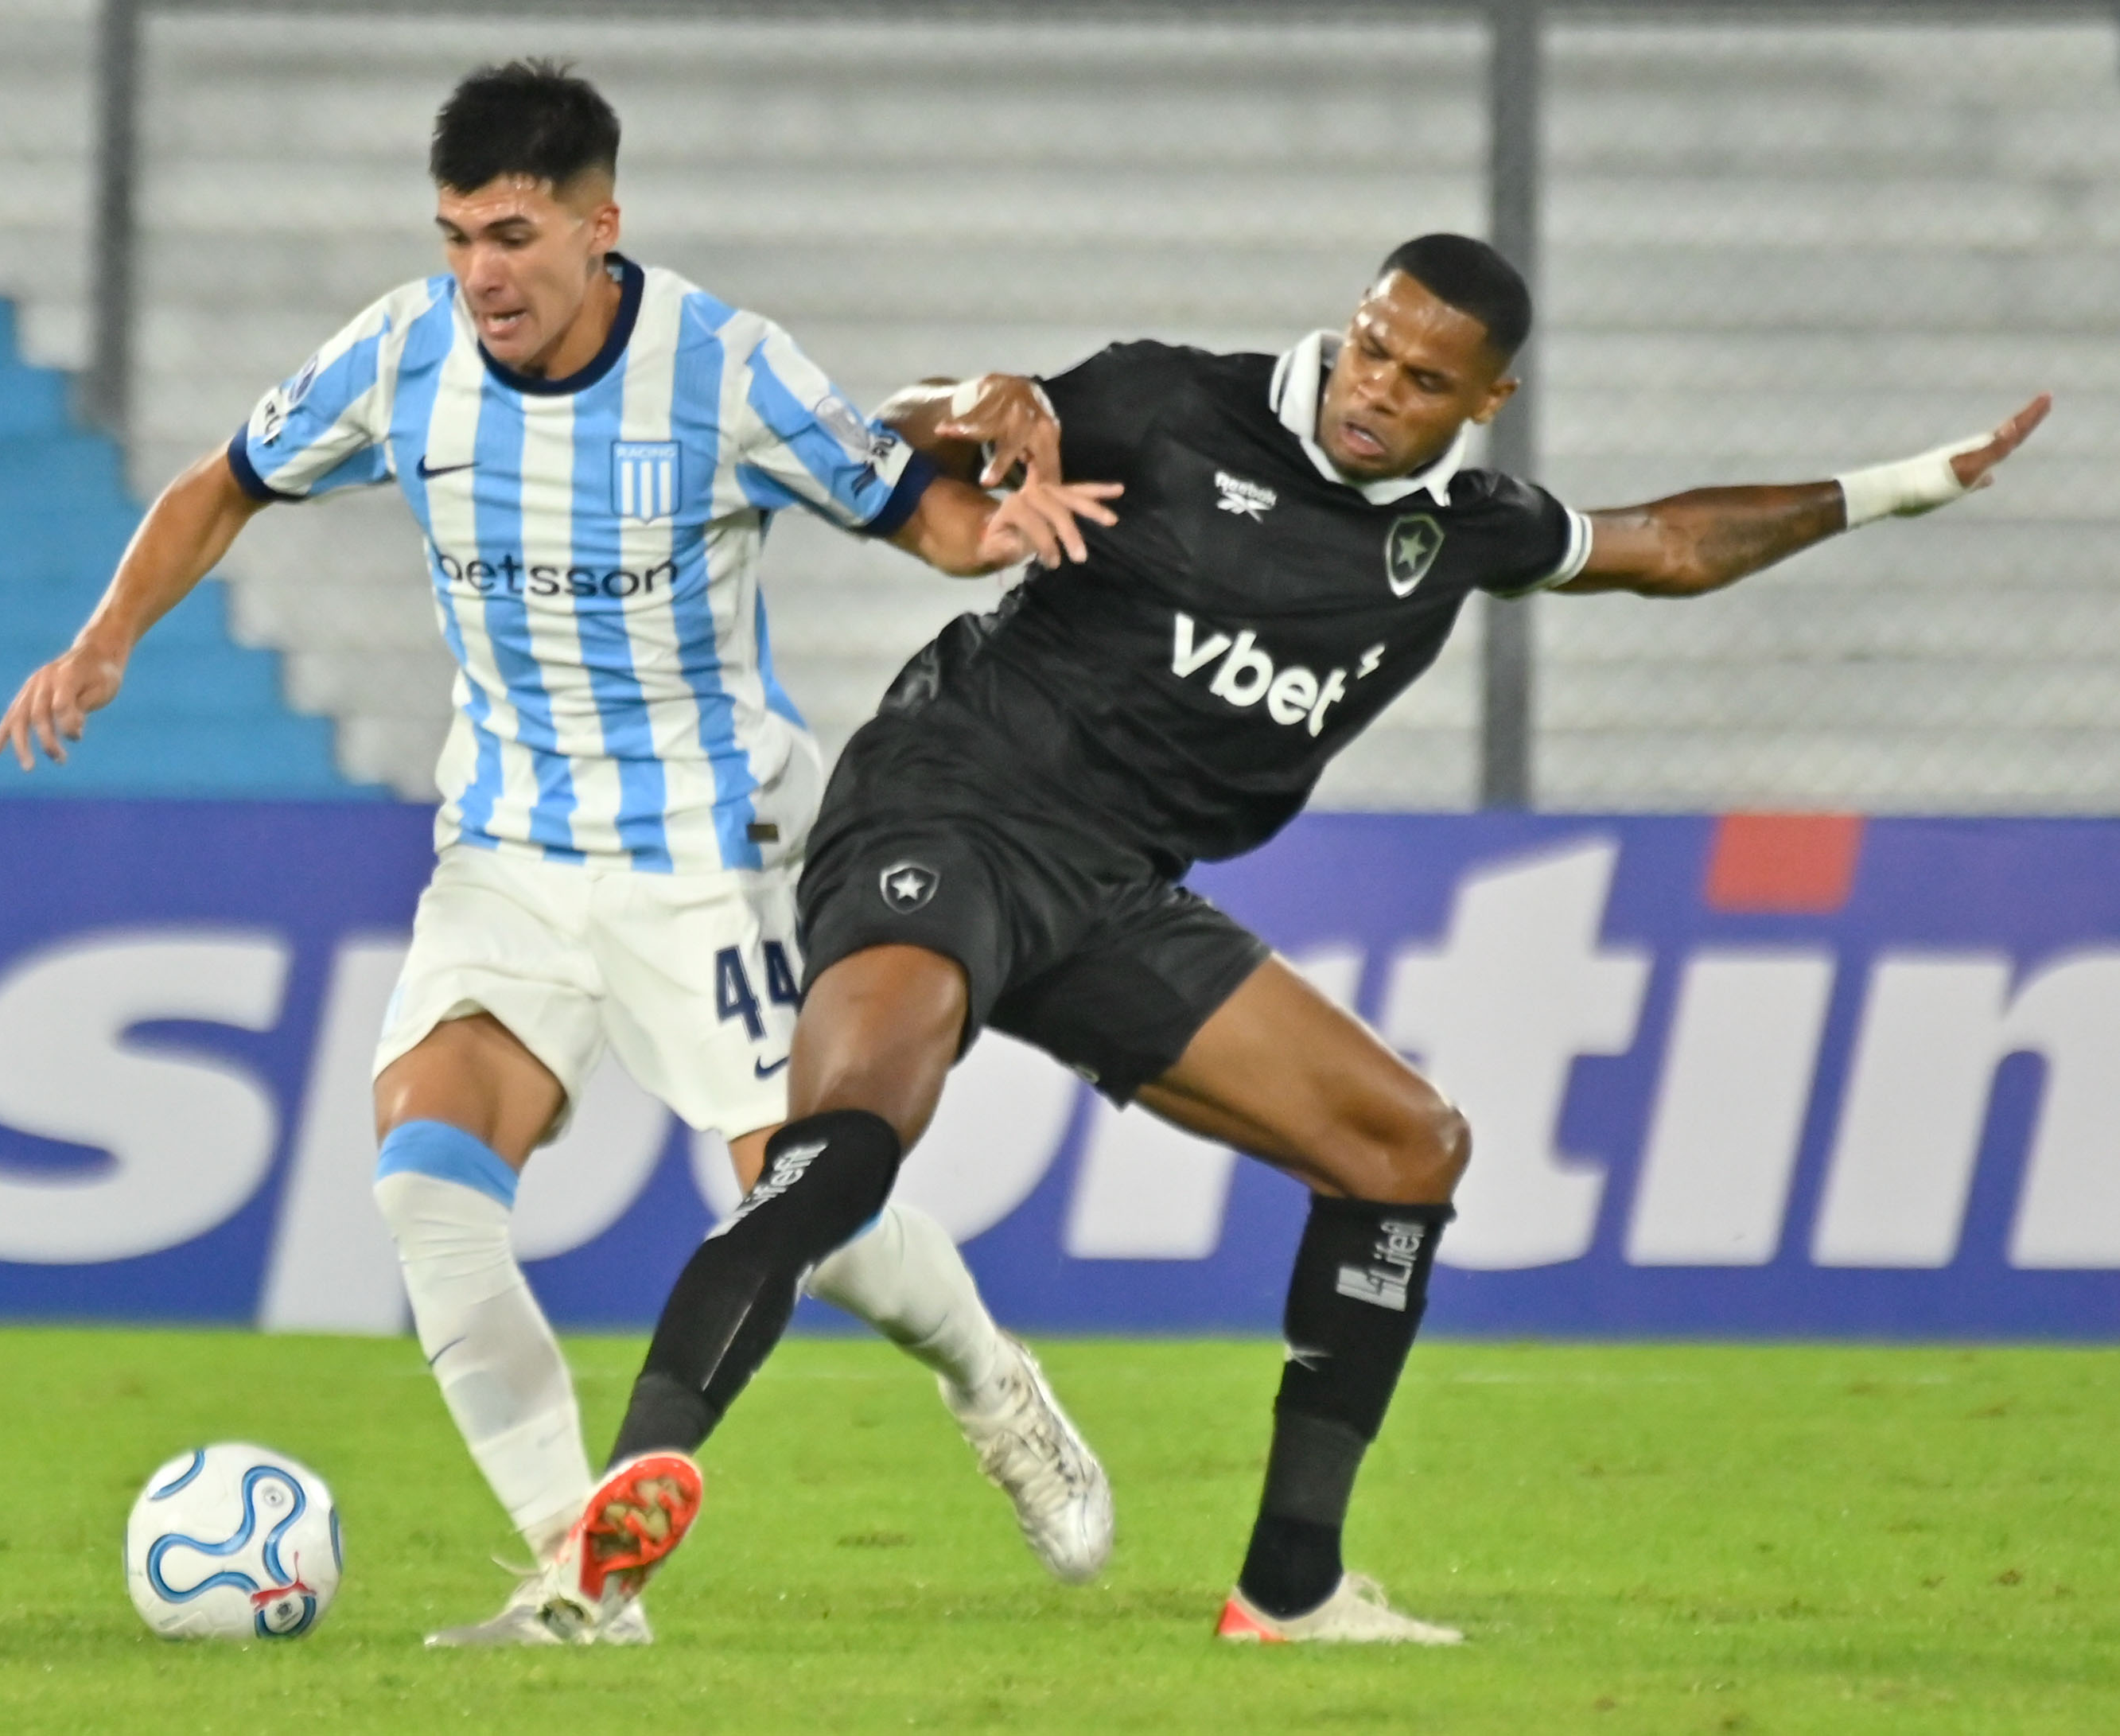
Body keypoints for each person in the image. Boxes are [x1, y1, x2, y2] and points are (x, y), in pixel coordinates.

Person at [523, 232, 2054, 1645]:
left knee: (1405, 1147)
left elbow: (1662, 545)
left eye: (1421, 378)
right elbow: (917, 428)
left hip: (1116, 888)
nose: (1374, 389)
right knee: (855, 1133)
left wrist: (1902, 483)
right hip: (953, 806)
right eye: (1370, 348)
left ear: (1488, 398)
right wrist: (969, 399)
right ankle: (617, 1531)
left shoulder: (1463, 530)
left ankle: (1291, 1591)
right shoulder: (1169, 405)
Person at [0, 60, 1123, 1646]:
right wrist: (106, 639)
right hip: (506, 846)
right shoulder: (400, 356)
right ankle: (578, 1575)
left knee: (810, 1216)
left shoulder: (724, 369)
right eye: (456, 235)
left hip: (702, 854)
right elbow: (221, 482)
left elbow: (907, 506)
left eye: (512, 234)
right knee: (426, 1184)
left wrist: (993, 527)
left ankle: (994, 1383)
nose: (480, 274)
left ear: (602, 226)